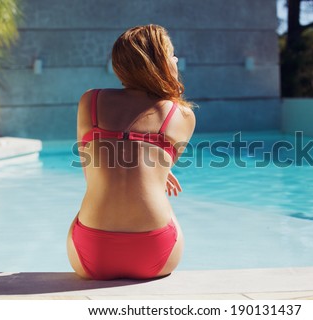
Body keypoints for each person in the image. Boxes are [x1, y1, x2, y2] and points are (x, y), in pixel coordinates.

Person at [67, 25, 196, 280]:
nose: (176, 60)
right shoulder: (181, 115)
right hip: (155, 252)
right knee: (163, 200)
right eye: (171, 54)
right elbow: (150, 165)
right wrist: (161, 170)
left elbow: (92, 170)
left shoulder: (90, 102)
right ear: (157, 62)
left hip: (92, 252)